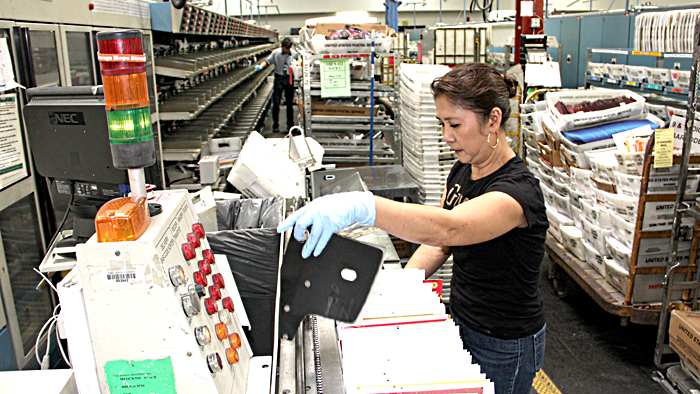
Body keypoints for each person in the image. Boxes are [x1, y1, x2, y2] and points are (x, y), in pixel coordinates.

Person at [277, 62, 549, 394]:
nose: (447, 136)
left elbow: (450, 230)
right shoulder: (464, 171)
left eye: (455, 124)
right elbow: (441, 246)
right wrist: (402, 285)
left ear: (493, 120)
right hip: (465, 318)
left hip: (504, 342)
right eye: (441, 124)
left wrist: (365, 207)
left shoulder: (515, 193)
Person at [255, 37, 299, 133]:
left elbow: (298, 64)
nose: (283, 50)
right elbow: (267, 61)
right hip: (279, 78)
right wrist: (261, 66)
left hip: (289, 78)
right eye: (282, 47)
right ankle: (275, 125)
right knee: (276, 103)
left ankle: (290, 125)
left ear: (289, 48)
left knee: (289, 103)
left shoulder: (295, 54)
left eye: (285, 48)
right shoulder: (276, 53)